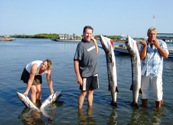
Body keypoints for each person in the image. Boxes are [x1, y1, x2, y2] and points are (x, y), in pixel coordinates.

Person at [140, 27, 169, 108]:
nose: (151, 36)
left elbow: (166, 55)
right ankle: (143, 109)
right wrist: (145, 46)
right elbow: (142, 57)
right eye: (150, 34)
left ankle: (158, 112)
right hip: (145, 72)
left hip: (156, 72)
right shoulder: (144, 43)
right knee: (143, 92)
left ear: (156, 34)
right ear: (147, 34)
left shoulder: (162, 43)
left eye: (153, 34)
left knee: (158, 93)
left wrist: (158, 46)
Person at [74, 25, 99, 109]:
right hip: (85, 74)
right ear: (83, 33)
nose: (89, 35)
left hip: (94, 72)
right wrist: (78, 76)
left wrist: (95, 41)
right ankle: (80, 110)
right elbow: (76, 61)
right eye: (87, 33)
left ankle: (90, 108)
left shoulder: (91, 42)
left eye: (90, 33)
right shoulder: (81, 45)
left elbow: (96, 52)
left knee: (91, 91)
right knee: (83, 93)